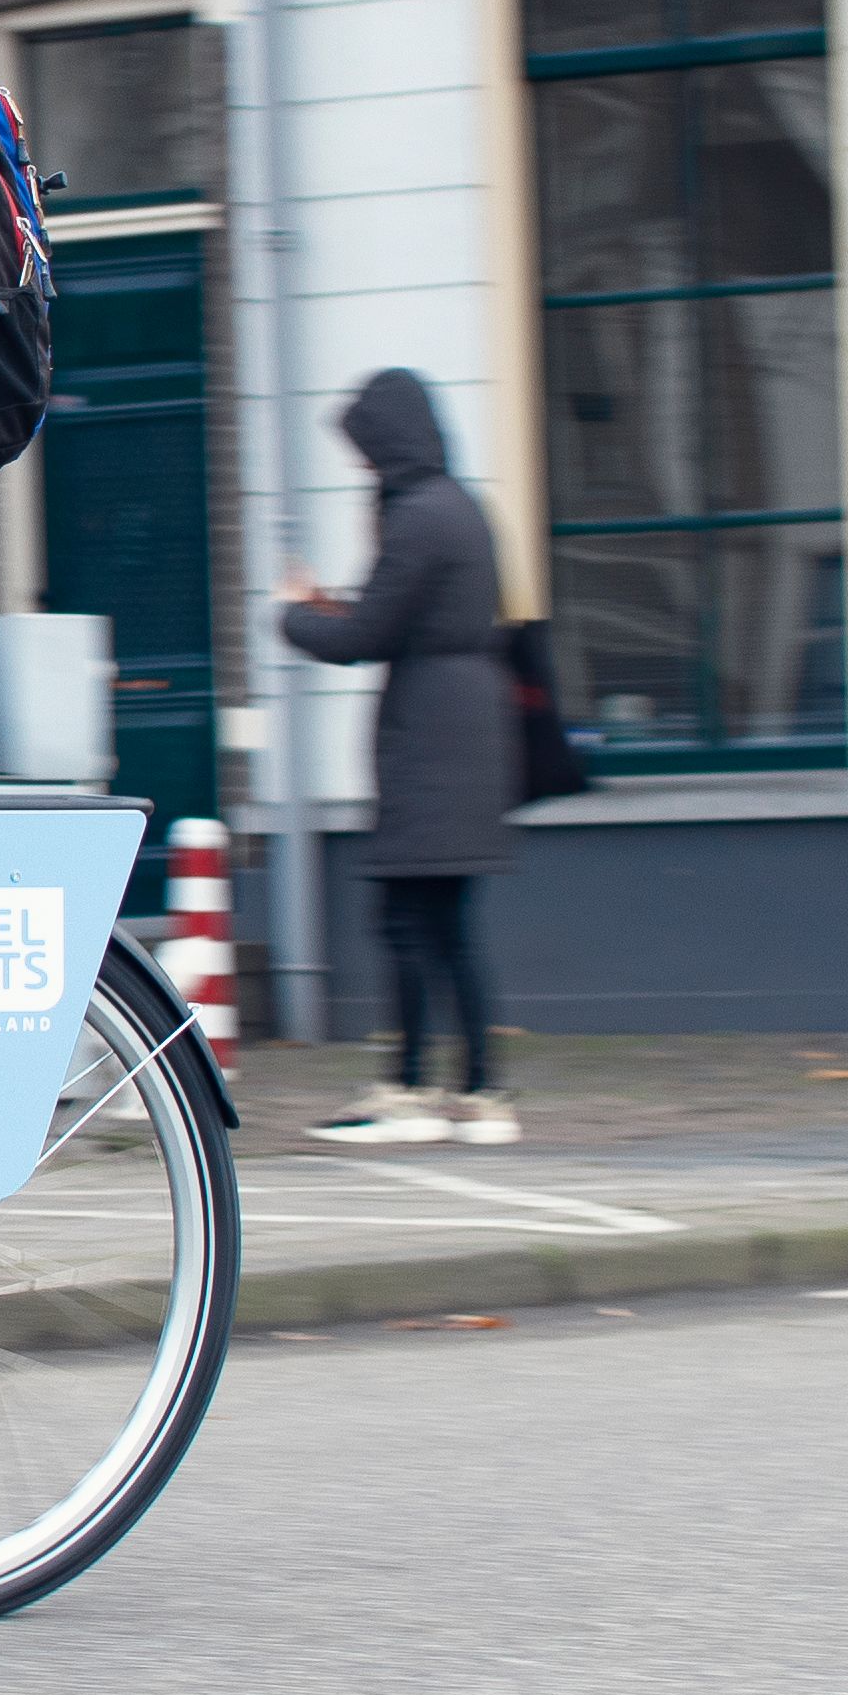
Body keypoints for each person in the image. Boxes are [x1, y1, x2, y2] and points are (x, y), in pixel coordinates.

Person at [276, 366, 521, 1146]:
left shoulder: (418, 516)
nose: (362, 466)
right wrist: (340, 605)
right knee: (446, 926)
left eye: (366, 451)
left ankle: (411, 1091)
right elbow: (410, 615)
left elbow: (366, 638)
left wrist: (292, 618)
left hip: (431, 741)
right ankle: (482, 1093)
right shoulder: (463, 509)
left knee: (407, 923)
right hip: (470, 733)